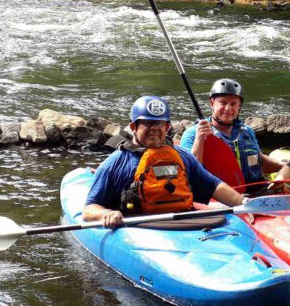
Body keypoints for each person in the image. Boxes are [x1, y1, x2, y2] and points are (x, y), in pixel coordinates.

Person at [83, 95, 246, 229]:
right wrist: (106, 214)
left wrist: (244, 203)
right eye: (148, 123)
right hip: (139, 226)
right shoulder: (116, 163)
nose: (155, 128)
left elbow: (213, 185)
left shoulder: (182, 156)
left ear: (167, 127)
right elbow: (89, 209)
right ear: (133, 127)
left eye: (160, 124)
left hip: (184, 224)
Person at [179, 78, 284, 189]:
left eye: (233, 104)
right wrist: (199, 140)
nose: (228, 108)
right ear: (211, 103)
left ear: (239, 106)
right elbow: (190, 173)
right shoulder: (192, 134)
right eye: (223, 103)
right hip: (217, 196)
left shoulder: (247, 131)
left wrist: (286, 167)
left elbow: (259, 161)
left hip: (253, 190)